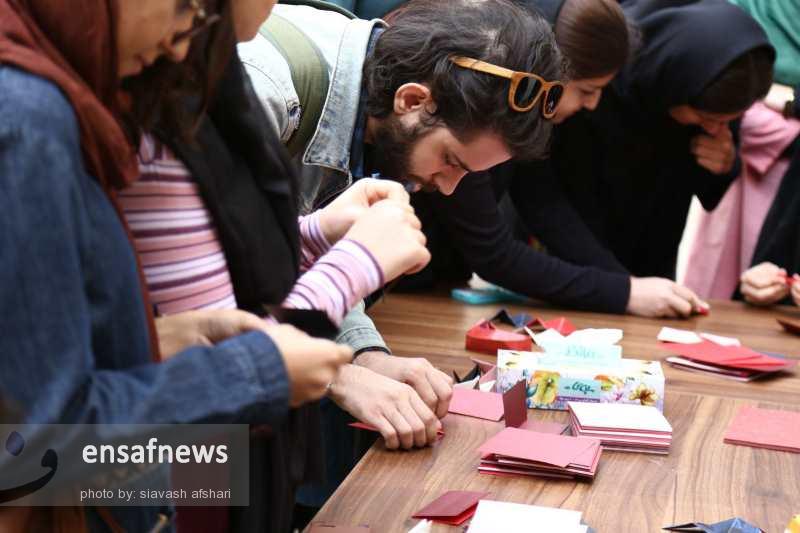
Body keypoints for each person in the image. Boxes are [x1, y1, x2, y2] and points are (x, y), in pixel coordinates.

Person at [0, 1, 353, 530]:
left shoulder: (63, 97)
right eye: (185, 5)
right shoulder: (29, 120)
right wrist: (258, 372)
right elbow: (35, 457)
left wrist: (162, 337)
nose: (181, 40)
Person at [237, 0, 562, 512]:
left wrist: (364, 354)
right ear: (413, 100)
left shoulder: (359, 87)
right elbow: (201, 299)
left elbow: (280, 260)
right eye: (451, 161)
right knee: (192, 492)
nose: (448, 188)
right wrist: (339, 374)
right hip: (117, 435)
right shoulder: (262, 92)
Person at [550, 0, 774, 288]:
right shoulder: (598, 78)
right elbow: (545, 198)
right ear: (673, 83)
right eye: (705, 118)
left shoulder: (717, 72)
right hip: (565, 255)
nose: (715, 129)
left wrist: (726, 164)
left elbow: (708, 191)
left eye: (728, 121)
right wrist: (621, 286)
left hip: (653, 259)